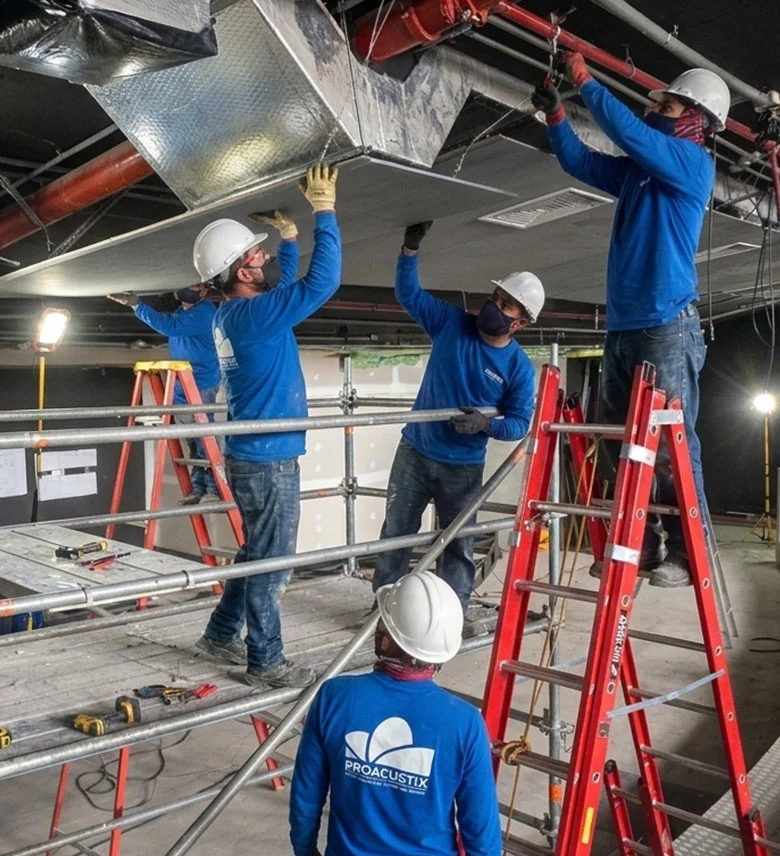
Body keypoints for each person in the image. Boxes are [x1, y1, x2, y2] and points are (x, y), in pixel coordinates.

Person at [532, 55, 729, 588]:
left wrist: (587, 82)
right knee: (624, 441)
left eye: (667, 106)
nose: (657, 112)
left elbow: (634, 134)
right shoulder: (644, 171)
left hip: (667, 324)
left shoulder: (691, 164)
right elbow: (581, 163)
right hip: (625, 326)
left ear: (697, 120)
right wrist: (556, 118)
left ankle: (691, 553)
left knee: (672, 445)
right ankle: (641, 546)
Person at [192, 163, 341, 688]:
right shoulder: (256, 316)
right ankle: (266, 661)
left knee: (257, 553)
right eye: (257, 256)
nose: (266, 257)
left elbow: (287, 287)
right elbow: (320, 283)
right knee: (271, 565)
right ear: (243, 274)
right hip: (269, 458)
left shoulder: (230, 315)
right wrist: (322, 211)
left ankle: (220, 632)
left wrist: (290, 236)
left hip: (254, 454)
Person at [372, 221, 541, 633]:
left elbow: (519, 422)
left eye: (507, 306)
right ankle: (383, 611)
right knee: (396, 533)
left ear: (520, 323)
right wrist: (409, 250)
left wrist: (486, 425)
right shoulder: (452, 323)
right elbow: (408, 295)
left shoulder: (518, 369)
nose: (495, 306)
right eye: (496, 297)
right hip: (415, 451)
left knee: (458, 544)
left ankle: (453, 614)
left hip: (462, 466)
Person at [289, 570, 502, 856]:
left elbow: (306, 796)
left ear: (387, 640)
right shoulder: (465, 723)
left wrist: (305, 850)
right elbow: (481, 831)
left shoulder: (334, 697)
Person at [107, 283, 221, 504]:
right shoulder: (183, 311)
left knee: (204, 437)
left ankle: (214, 490)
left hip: (200, 383)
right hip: (182, 382)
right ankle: (199, 488)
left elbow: (169, 327)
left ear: (205, 292)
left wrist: (137, 305)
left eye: (196, 286)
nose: (188, 288)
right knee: (192, 439)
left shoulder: (205, 313)